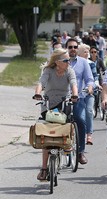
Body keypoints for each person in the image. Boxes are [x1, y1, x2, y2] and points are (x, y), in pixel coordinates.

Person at [33, 48, 78, 180]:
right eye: (66, 60)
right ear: (57, 62)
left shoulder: (69, 70)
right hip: (49, 102)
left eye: (69, 60)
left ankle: (68, 143)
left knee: (69, 122)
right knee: (46, 134)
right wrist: (37, 93)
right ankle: (44, 168)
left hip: (64, 102)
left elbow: (74, 83)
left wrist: (75, 95)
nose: (68, 62)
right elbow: (41, 83)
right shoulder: (48, 71)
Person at [66, 38, 94, 164]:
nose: (73, 49)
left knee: (81, 121)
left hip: (79, 98)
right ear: (66, 48)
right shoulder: (61, 61)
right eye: (70, 47)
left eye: (75, 47)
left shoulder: (83, 62)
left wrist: (89, 87)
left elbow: (89, 79)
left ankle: (80, 152)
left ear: (78, 49)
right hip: (63, 98)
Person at [78, 43, 95, 145]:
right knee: (78, 115)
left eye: (87, 51)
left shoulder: (91, 63)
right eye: (85, 51)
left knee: (89, 111)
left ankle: (89, 134)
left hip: (88, 93)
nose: (87, 53)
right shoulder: (74, 63)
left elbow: (94, 78)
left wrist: (92, 87)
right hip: (78, 93)